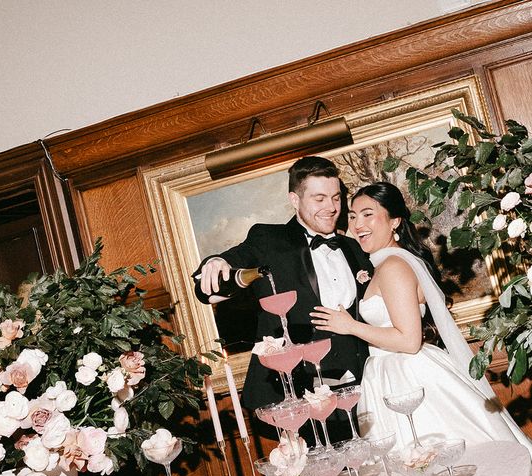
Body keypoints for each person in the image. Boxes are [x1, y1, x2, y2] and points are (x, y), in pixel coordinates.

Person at [310, 181, 532, 453]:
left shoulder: (393, 266)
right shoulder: (388, 262)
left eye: (368, 214)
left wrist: (351, 326)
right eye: (353, 217)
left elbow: (409, 340)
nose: (357, 225)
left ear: (394, 221)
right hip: (392, 371)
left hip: (406, 376)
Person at [194, 156, 371, 439]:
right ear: (294, 199)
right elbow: (212, 286)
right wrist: (215, 261)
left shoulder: (353, 247)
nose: (331, 208)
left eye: (336, 198)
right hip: (296, 395)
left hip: (359, 390)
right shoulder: (268, 240)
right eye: (319, 198)